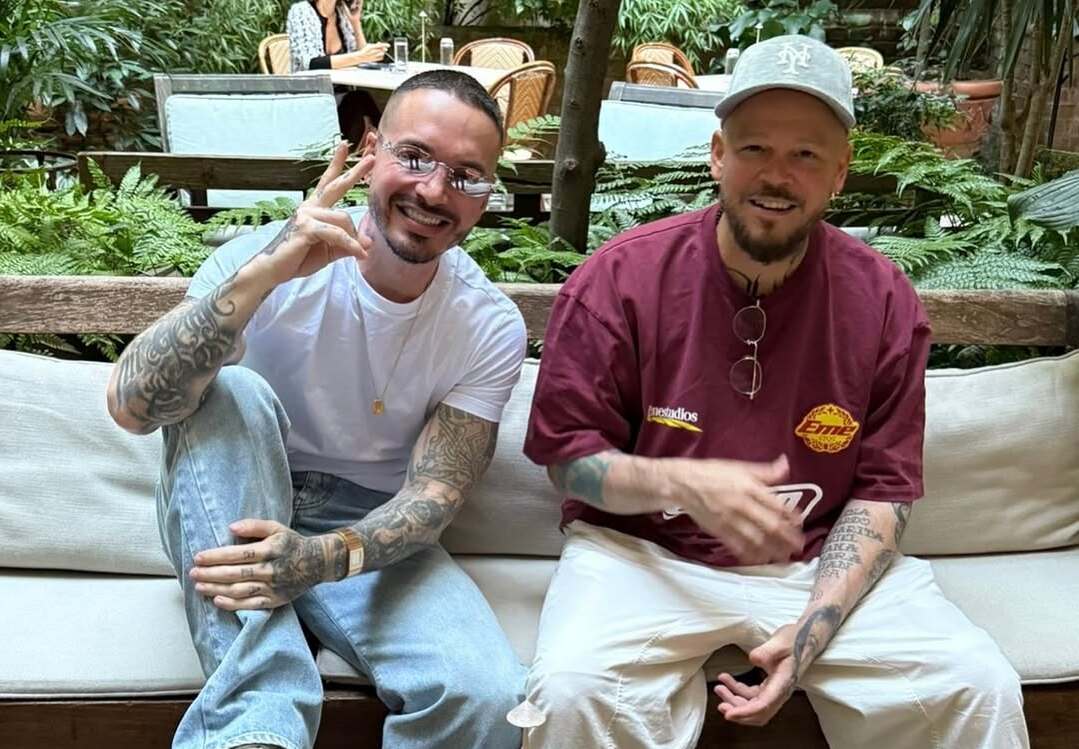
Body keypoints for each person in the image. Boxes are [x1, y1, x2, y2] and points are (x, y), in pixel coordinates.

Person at [513, 35, 1029, 749]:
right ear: (717, 155)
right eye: (754, 148)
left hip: (813, 561)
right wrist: (679, 483)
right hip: (639, 553)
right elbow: (567, 461)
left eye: (806, 154)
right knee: (572, 691)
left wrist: (814, 627)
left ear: (840, 173)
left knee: (976, 686)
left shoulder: (882, 298)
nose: (777, 176)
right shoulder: (620, 279)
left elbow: (883, 491)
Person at [106, 70, 526, 749]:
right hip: (237, 487)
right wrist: (269, 270)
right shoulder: (262, 259)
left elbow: (434, 496)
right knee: (235, 389)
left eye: (465, 176)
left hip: (367, 523)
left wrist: (319, 558)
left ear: (484, 195)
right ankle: (254, 731)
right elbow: (131, 406)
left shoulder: (487, 323)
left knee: (485, 694)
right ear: (371, 151)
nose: (432, 191)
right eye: (414, 156)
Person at [287, 0, 388, 146]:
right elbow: (311, 63)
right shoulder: (301, 11)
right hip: (312, 98)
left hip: (340, 96)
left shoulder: (341, 14)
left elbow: (361, 59)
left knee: (361, 100)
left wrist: (355, 23)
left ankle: (378, 147)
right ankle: (377, 148)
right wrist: (361, 56)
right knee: (359, 101)